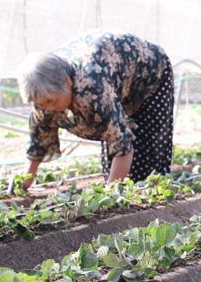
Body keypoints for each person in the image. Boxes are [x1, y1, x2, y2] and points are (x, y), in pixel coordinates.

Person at [16, 30, 174, 190]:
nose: (49, 107)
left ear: (68, 82)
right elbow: (39, 139)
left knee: (149, 146)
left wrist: (110, 193)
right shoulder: (43, 95)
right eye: (42, 103)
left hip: (151, 71)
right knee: (114, 161)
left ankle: (153, 194)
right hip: (115, 71)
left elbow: (121, 141)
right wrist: (23, 183)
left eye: (52, 101)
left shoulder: (93, 89)